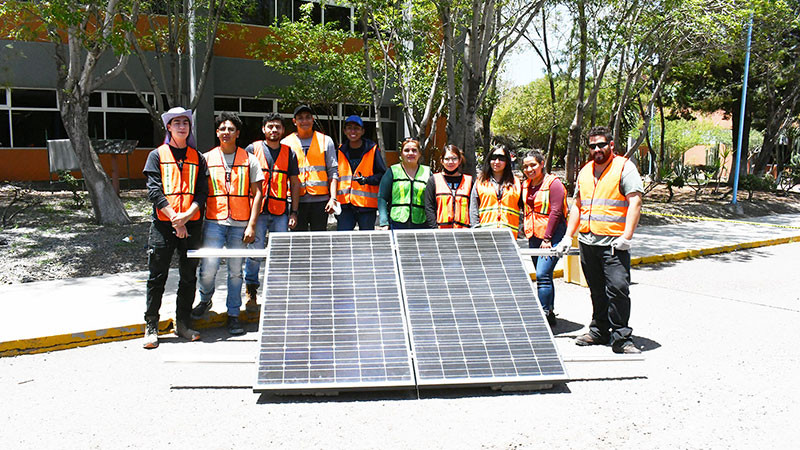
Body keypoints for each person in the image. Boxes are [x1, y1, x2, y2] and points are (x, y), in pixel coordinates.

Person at [555, 126, 643, 354]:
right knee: (596, 290)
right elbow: (578, 205)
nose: (597, 149)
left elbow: (635, 202)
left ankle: (621, 337)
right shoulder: (585, 171)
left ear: (611, 145)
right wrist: (568, 236)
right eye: (593, 146)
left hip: (614, 244)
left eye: (601, 144)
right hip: (588, 242)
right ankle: (599, 330)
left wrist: (627, 236)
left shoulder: (625, 168)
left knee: (618, 288)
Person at [191, 112, 263, 336]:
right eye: (222, 128)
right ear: (217, 132)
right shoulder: (206, 158)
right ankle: (205, 299)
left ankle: (233, 314)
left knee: (235, 272)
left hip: (240, 224)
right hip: (214, 220)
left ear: (238, 133)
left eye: (231, 129)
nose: (226, 132)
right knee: (208, 268)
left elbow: (258, 193)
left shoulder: (249, 159)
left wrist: (252, 224)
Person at [141, 107, 208, 349]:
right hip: (163, 224)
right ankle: (151, 325)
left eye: (185, 122)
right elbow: (154, 191)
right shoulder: (156, 156)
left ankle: (183, 323)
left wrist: (186, 217)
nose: (182, 126)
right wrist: (175, 220)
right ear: (168, 127)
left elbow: (202, 192)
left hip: (192, 224)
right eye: (176, 122)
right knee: (157, 276)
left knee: (188, 276)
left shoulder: (198, 157)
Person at [242, 113, 300, 312]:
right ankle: (251, 290)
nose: (274, 130)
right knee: (255, 252)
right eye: (270, 127)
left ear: (283, 131)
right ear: (263, 129)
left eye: (277, 127)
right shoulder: (252, 149)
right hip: (257, 212)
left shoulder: (289, 152)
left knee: (280, 253)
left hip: (280, 211)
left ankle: (278, 291)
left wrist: (294, 212)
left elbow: (294, 183)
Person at [521, 150, 568, 328]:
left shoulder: (554, 184)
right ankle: (549, 311)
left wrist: (548, 238)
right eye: (525, 166)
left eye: (533, 164)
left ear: (542, 164)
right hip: (534, 236)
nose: (529, 169)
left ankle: (544, 312)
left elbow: (556, 211)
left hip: (552, 236)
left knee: (542, 275)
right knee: (545, 276)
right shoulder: (526, 184)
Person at [280, 105, 339, 231]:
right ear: (294, 121)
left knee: (318, 241)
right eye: (300, 118)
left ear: (313, 120)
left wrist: (333, 198)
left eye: (308, 117)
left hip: (320, 201)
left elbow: (333, 171)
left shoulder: (325, 140)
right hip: (296, 202)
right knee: (298, 241)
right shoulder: (286, 143)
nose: (304, 121)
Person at [336, 115, 386, 231]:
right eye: (349, 128)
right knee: (342, 240)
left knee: (367, 241)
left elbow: (382, 174)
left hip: (366, 206)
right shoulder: (340, 150)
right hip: (345, 205)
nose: (353, 131)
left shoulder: (372, 149)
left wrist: (367, 180)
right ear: (344, 131)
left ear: (362, 131)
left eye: (356, 128)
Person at [469, 145, 523, 238]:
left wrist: (521, 230)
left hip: (509, 235)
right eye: (494, 158)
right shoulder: (480, 182)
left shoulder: (516, 182)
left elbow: (524, 208)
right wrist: (476, 230)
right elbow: (474, 209)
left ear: (507, 161)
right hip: (485, 235)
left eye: (501, 158)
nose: (497, 162)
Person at [377, 138, 431, 230]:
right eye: (406, 150)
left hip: (421, 222)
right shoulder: (392, 171)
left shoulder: (428, 172)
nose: (410, 153)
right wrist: (384, 221)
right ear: (401, 154)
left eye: (414, 150)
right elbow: (382, 197)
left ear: (419, 154)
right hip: (397, 222)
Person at [424, 144, 473, 229]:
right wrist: (435, 229)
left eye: (454, 159)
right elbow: (429, 207)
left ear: (460, 160)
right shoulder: (434, 180)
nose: (451, 162)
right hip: (441, 231)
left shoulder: (468, 181)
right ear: (442, 161)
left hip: (464, 231)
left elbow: (473, 208)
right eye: (447, 159)